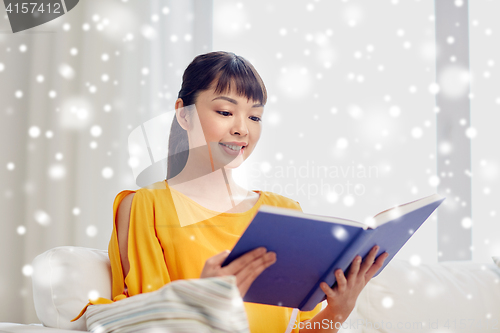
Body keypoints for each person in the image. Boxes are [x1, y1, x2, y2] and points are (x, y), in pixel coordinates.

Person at [72, 51, 388, 333]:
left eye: (255, 116)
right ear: (183, 114)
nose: (243, 129)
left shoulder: (284, 211)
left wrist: (339, 309)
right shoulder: (147, 206)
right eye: (225, 112)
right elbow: (143, 322)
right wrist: (203, 298)